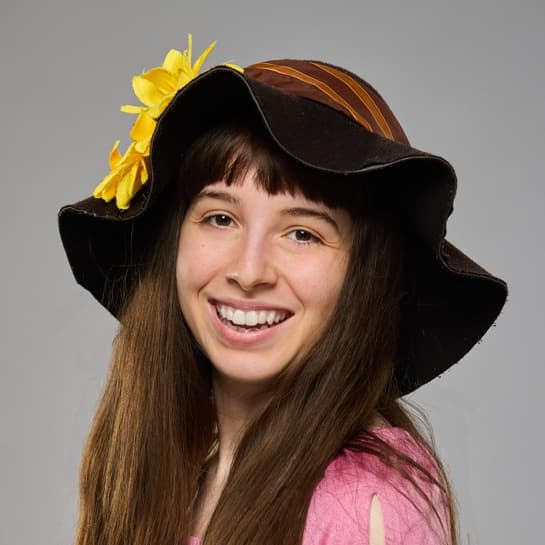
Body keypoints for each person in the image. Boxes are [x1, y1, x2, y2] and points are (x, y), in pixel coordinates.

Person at [58, 36, 507, 545]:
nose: (249, 271)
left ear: (364, 276)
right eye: (220, 218)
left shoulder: (363, 502)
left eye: (302, 233)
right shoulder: (168, 471)